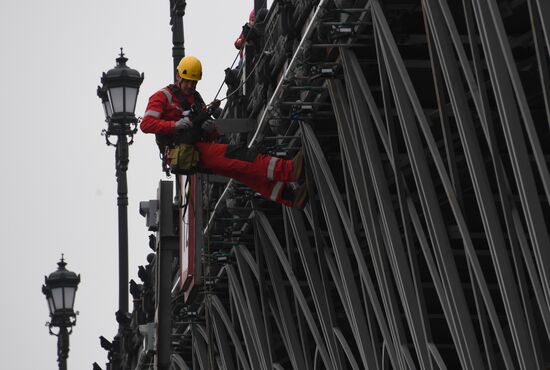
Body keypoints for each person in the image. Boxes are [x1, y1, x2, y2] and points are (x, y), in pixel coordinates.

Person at [140, 55, 307, 209]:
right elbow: (146, 124)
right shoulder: (162, 96)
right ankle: (288, 170)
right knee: (241, 156)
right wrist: (175, 125)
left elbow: (209, 133)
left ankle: (290, 196)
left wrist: (210, 129)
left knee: (242, 171)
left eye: (194, 82)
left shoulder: (195, 99)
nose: (191, 86)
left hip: (195, 149)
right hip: (186, 150)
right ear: (178, 76)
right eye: (188, 81)